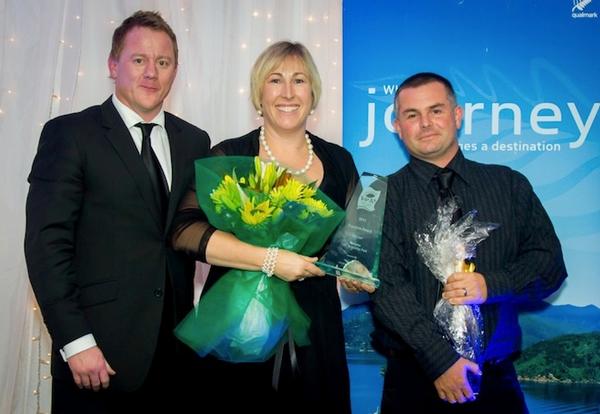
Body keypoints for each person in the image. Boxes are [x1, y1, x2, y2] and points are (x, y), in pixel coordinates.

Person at [24, 10, 210, 413]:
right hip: (97, 358)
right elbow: (46, 246)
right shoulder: (71, 134)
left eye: (163, 62)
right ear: (113, 65)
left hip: (175, 357)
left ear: (175, 70)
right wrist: (76, 342)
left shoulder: (195, 141)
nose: (151, 73)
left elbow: (189, 234)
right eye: (138, 60)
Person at [171, 41, 359, 413]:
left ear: (313, 93)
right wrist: (270, 259)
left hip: (316, 329)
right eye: (276, 80)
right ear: (259, 93)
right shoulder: (229, 156)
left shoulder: (339, 161)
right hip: (239, 326)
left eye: (299, 80)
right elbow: (183, 231)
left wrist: (355, 269)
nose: (288, 92)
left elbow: (352, 244)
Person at [370, 72, 567, 413]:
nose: (425, 123)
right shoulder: (378, 195)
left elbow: (549, 265)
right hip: (413, 382)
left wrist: (491, 285)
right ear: (398, 126)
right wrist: (439, 360)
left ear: (457, 116)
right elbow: (386, 288)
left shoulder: (508, 184)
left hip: (497, 382)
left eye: (436, 110)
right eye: (411, 115)